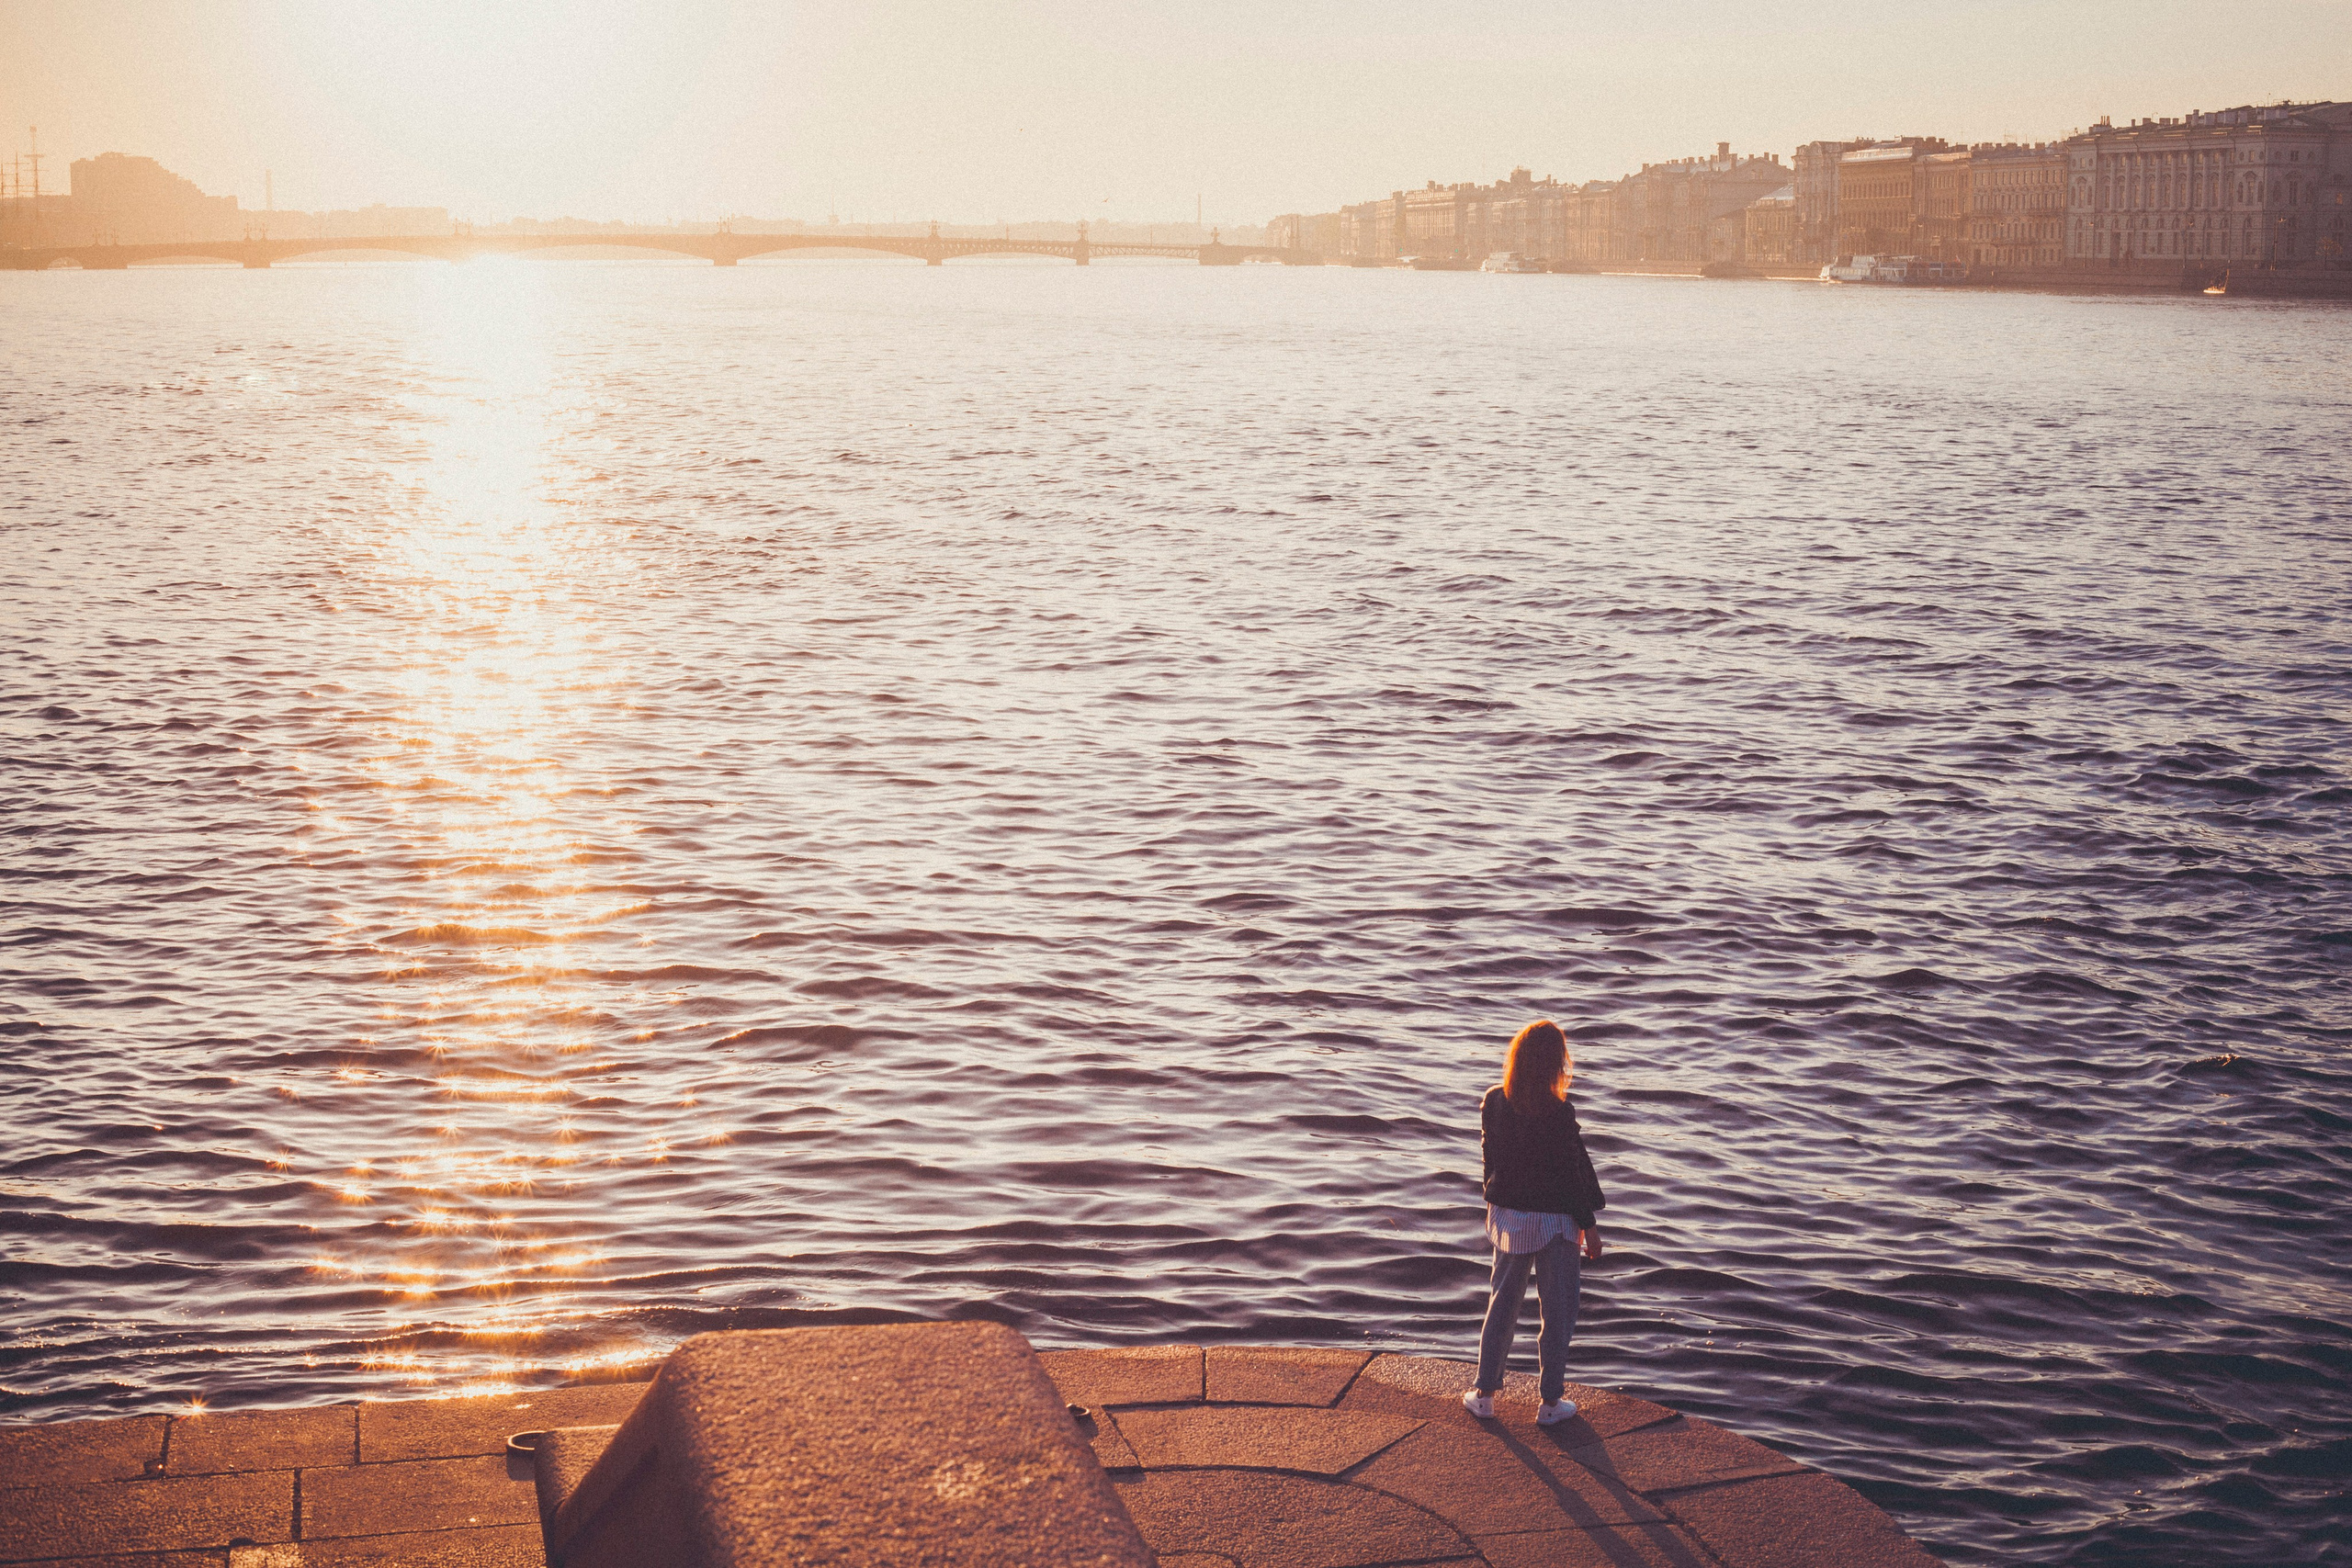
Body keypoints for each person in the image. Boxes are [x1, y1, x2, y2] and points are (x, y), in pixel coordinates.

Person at [1463, 1018, 1606, 1426]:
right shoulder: (1559, 1112)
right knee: (1558, 1310)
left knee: (1502, 1305)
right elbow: (1571, 1174)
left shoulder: (1494, 1101)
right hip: (1557, 1222)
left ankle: (1485, 1393)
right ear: (1553, 1066)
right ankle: (1549, 1403)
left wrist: (1499, 1197)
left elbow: (1491, 1162)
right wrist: (1589, 1226)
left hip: (1511, 1218)